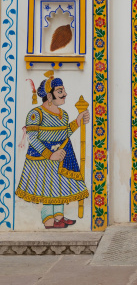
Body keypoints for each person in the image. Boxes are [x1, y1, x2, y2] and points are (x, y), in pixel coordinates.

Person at [15, 71, 90, 229]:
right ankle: (49, 221)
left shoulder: (63, 114)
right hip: (41, 160)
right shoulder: (36, 114)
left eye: (63, 91)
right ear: (49, 96)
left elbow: (64, 133)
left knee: (59, 187)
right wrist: (50, 155)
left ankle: (59, 218)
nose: (65, 94)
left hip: (59, 158)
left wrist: (77, 121)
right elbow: (33, 138)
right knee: (48, 190)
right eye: (60, 91)